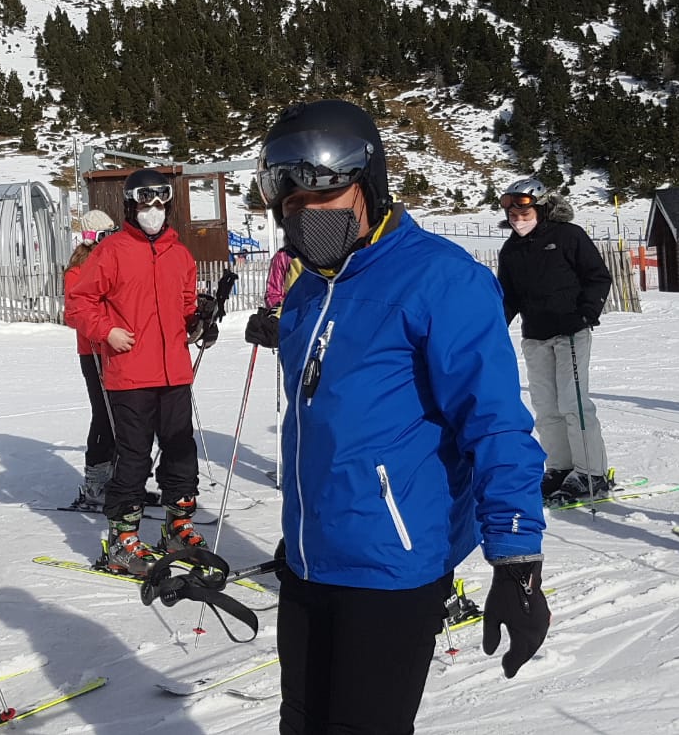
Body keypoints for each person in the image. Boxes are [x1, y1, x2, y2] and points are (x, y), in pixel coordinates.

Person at [243, 100, 550, 735]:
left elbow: (495, 424)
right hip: (307, 563)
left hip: (391, 569)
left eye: (324, 194)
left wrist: (517, 559)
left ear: (370, 183)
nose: (305, 213)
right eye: (290, 199)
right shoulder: (306, 289)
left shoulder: (442, 280)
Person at [66, 169, 220, 576]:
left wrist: (201, 319)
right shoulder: (111, 251)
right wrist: (107, 331)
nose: (152, 210)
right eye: (144, 203)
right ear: (131, 206)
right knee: (133, 457)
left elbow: (186, 306)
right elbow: (79, 304)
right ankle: (123, 539)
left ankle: (177, 526)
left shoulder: (179, 253)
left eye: (159, 202)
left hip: (174, 372)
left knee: (181, 452)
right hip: (131, 372)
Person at [495, 178, 614, 504]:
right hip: (535, 336)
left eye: (525, 212)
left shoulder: (567, 236)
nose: (519, 220)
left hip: (570, 333)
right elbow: (508, 298)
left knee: (574, 404)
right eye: (513, 215)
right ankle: (560, 468)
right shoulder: (511, 250)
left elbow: (598, 276)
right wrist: (493, 328)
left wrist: (587, 312)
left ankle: (592, 474)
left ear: (542, 208)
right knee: (546, 409)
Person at [65, 208, 119, 509]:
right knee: (103, 415)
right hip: (94, 352)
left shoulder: (112, 261)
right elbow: (75, 314)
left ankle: (121, 479)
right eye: (103, 236)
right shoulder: (77, 271)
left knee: (122, 416)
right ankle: (95, 482)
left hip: (117, 350)